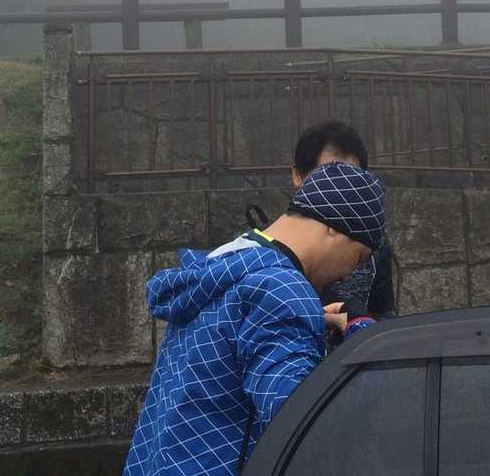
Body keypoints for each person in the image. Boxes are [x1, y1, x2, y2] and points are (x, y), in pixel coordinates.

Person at [123, 162, 386, 476]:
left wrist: (308, 319)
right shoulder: (281, 290)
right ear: (334, 226)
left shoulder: (225, 262)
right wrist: (364, 337)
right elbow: (302, 424)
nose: (351, 273)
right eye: (359, 256)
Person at [289, 121, 396, 336]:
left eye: (353, 178)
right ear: (298, 176)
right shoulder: (271, 256)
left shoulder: (373, 246)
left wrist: (361, 325)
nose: (342, 189)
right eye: (330, 177)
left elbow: (384, 314)